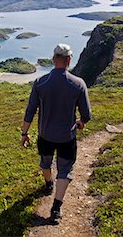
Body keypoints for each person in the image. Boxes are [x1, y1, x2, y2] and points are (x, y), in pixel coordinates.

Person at [20, 43, 91, 223]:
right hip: (67, 136)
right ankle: (56, 208)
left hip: (45, 135)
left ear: (53, 59)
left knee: (45, 162)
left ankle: (48, 184)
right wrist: (80, 122)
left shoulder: (40, 83)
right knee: (65, 170)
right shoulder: (78, 84)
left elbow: (30, 111)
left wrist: (24, 133)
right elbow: (86, 115)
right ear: (68, 60)